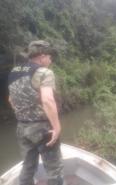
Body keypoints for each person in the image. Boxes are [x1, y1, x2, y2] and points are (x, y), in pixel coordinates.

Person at [8, 40, 63, 185]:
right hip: (42, 128)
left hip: (22, 127)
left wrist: (25, 114)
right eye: (49, 56)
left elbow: (11, 100)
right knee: (54, 170)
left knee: (28, 166)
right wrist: (56, 127)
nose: (51, 59)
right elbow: (47, 101)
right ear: (42, 56)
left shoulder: (14, 72)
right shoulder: (44, 72)